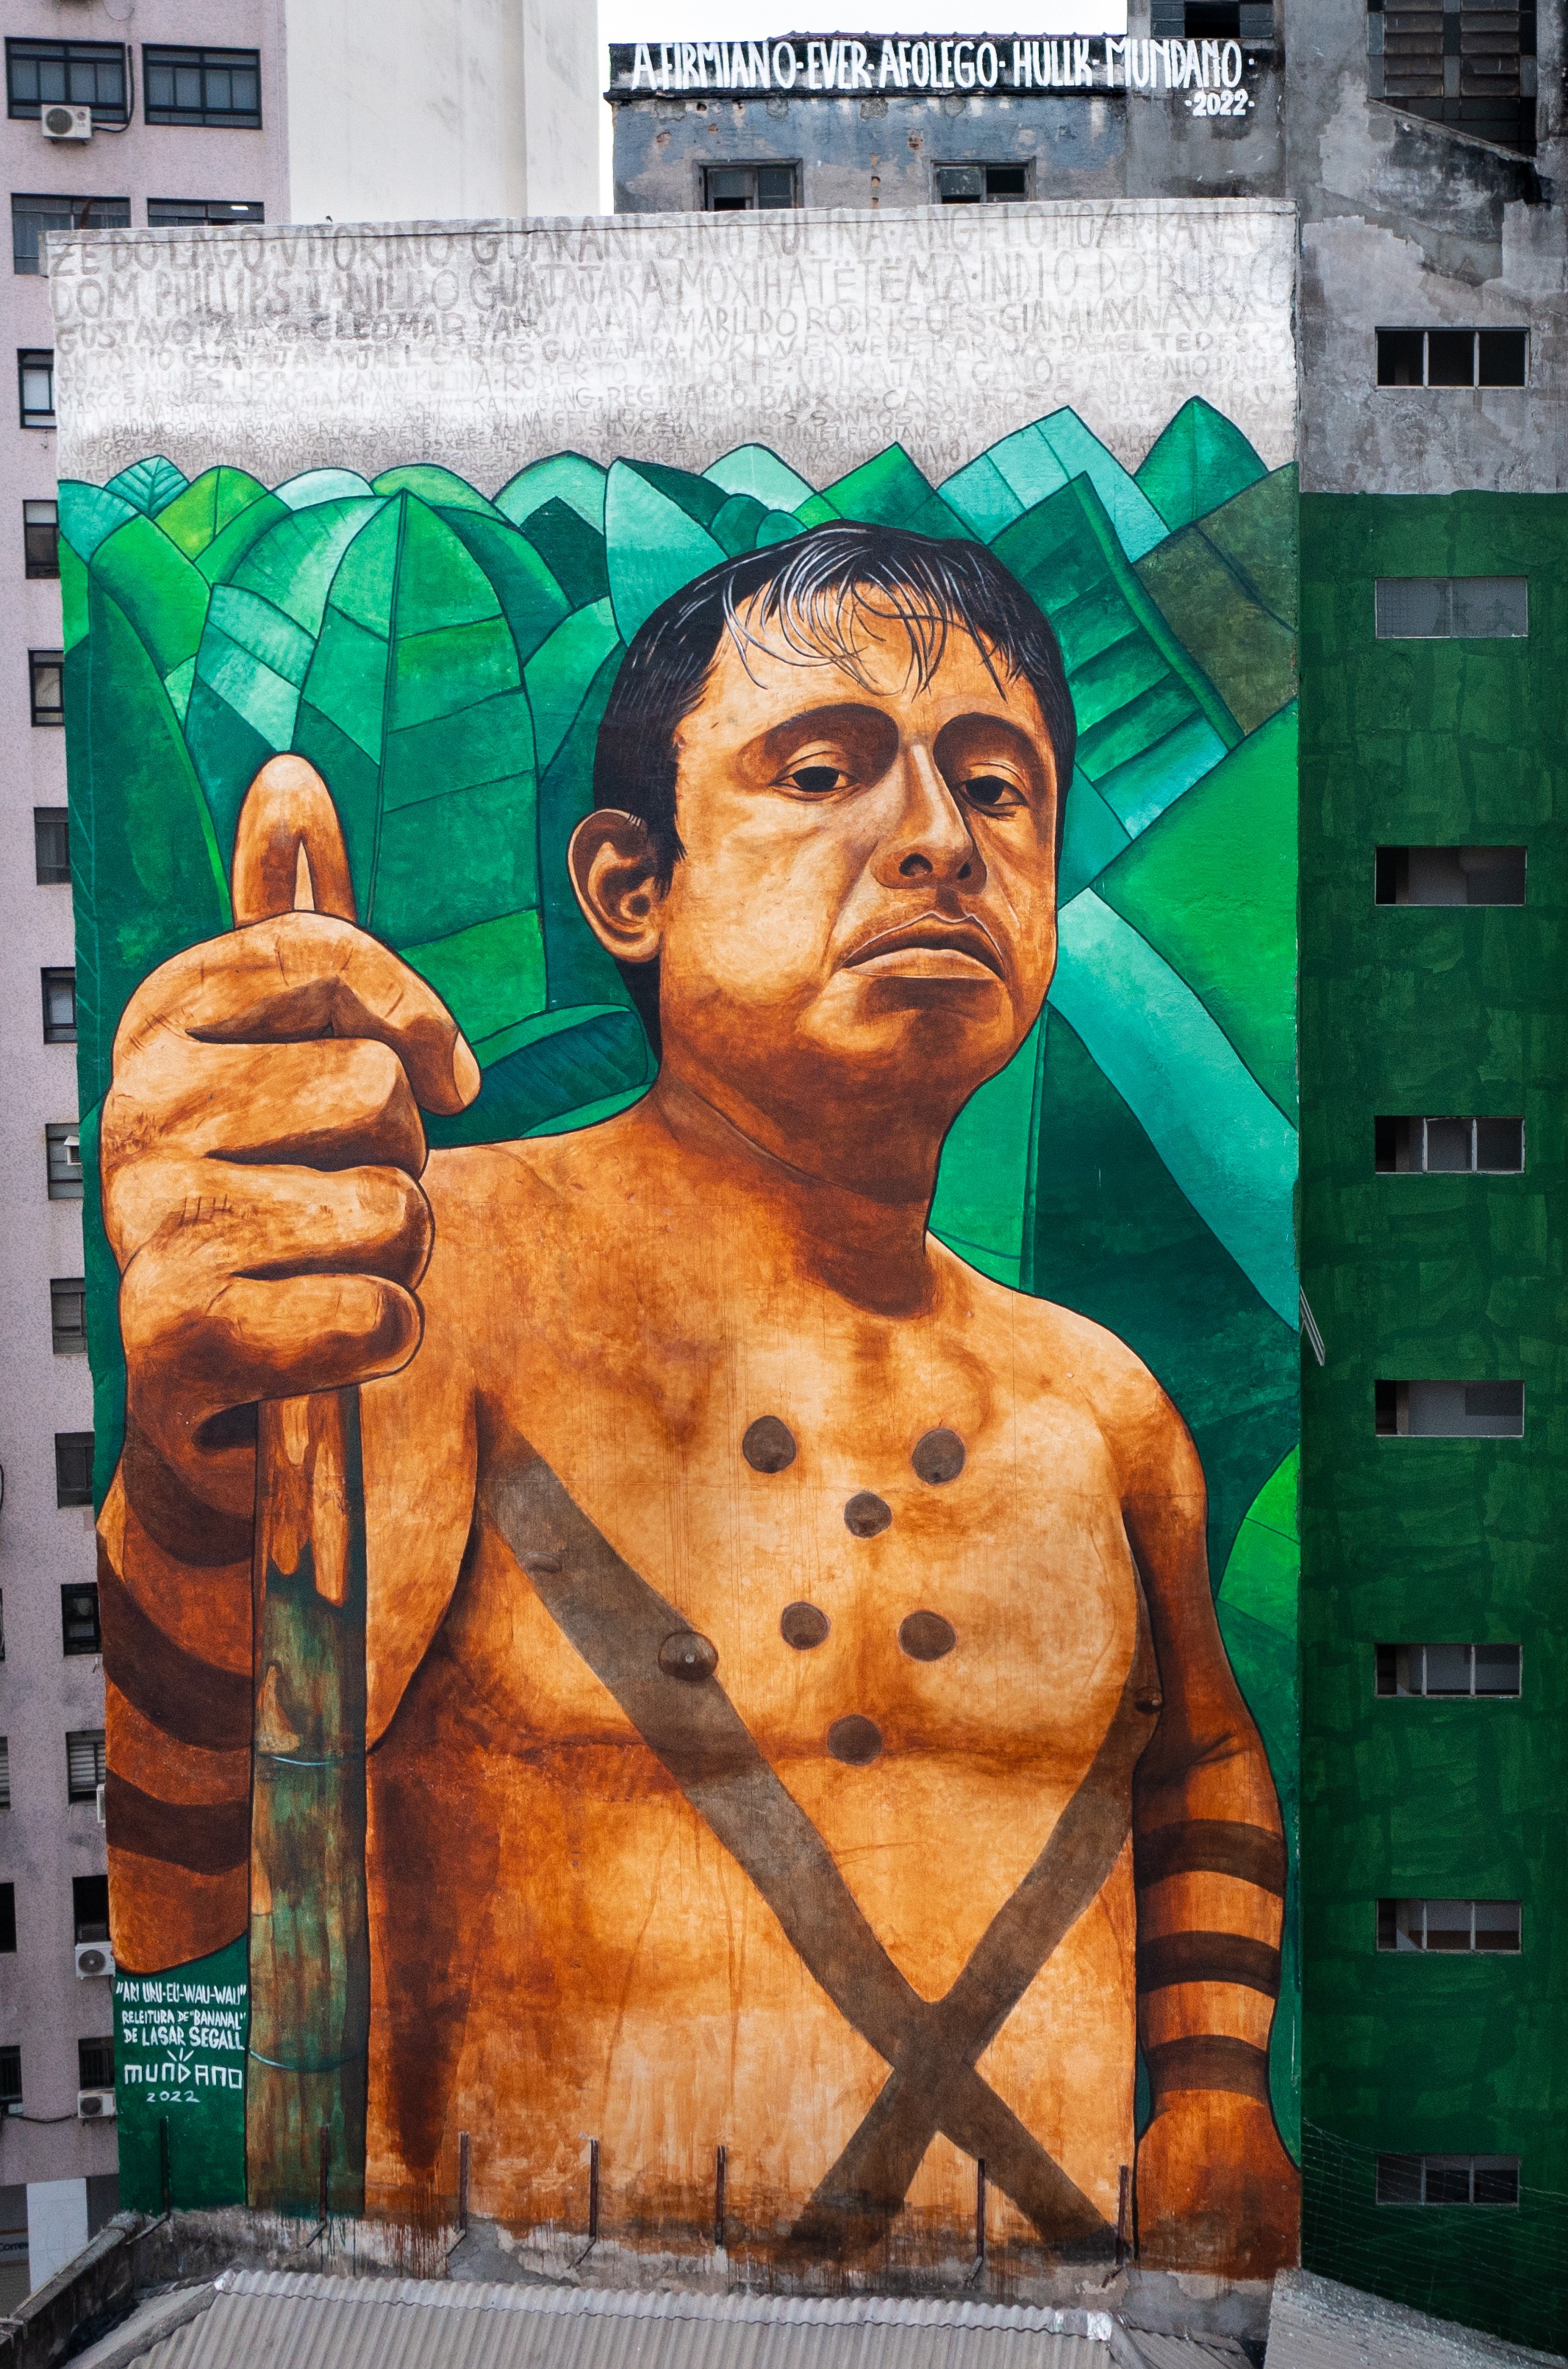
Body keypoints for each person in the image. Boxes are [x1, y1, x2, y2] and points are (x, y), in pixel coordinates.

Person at [96, 523, 1299, 2276]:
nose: (938, 841)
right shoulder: (415, 1291)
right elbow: (186, 1885)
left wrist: (1212, 2099)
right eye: (823, 772)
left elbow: (1200, 1771)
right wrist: (197, 1459)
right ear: (628, 888)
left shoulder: (1100, 1409)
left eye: (999, 787)